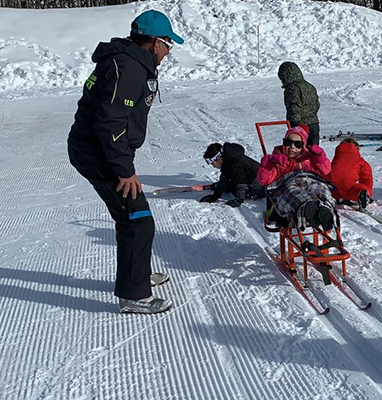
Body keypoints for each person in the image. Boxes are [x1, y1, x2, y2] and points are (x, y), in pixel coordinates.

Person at [67, 10, 183, 314]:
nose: (169, 53)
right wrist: (125, 170)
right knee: (138, 219)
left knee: (132, 217)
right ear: (156, 43)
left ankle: (137, 275)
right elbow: (109, 123)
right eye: (168, 45)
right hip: (98, 154)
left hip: (100, 150)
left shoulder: (128, 61)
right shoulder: (128, 68)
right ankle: (134, 294)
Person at [257, 125, 336, 231]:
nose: (292, 147)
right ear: (283, 144)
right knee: (293, 192)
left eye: (297, 144)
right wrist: (269, 161)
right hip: (288, 185)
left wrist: (319, 157)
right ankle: (307, 208)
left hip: (310, 181)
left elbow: (325, 170)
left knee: (321, 189)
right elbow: (263, 180)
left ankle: (325, 210)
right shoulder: (278, 161)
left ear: (303, 146)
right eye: (288, 143)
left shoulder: (308, 158)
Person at [200, 142, 265, 207]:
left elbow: (241, 183)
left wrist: (238, 200)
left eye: (213, 164)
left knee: (237, 191)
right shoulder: (227, 160)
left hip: (260, 183)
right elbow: (224, 179)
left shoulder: (236, 164)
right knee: (228, 184)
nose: (213, 166)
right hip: (250, 180)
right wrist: (215, 196)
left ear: (219, 159)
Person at [278, 61, 321, 146]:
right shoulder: (310, 86)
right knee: (313, 152)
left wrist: (295, 126)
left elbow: (294, 107)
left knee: (298, 153)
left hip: (301, 126)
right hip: (314, 124)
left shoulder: (292, 89)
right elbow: (317, 105)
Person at [325, 138, 373, 209]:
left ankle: (329, 196)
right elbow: (367, 178)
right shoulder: (360, 160)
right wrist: (368, 192)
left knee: (333, 189)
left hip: (332, 184)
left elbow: (329, 169)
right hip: (348, 185)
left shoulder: (338, 156)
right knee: (354, 190)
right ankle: (362, 194)